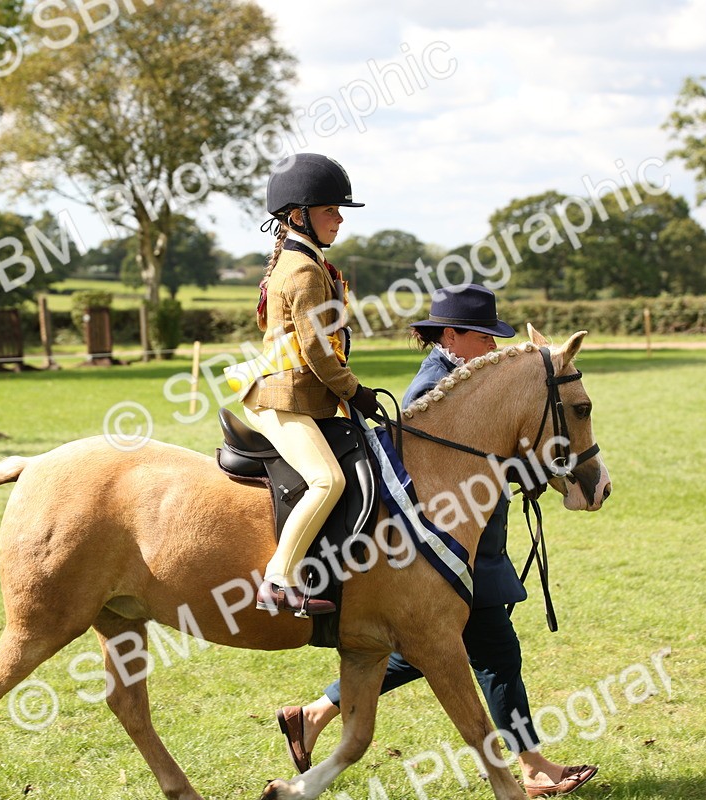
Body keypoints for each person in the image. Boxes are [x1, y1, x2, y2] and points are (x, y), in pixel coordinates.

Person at [274, 284, 598, 798]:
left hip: (469, 543)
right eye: (483, 336)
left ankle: (315, 712)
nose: (492, 347)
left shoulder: (469, 377)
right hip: (440, 548)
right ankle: (530, 767)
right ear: (450, 335)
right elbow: (425, 471)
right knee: (489, 648)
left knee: (436, 644)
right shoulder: (432, 386)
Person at [235, 153, 379, 616]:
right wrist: (355, 391)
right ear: (298, 216)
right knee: (326, 480)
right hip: (283, 400)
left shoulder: (310, 262)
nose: (338, 220)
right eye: (330, 211)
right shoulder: (302, 271)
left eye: (339, 211)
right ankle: (277, 581)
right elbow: (316, 352)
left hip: (301, 397)